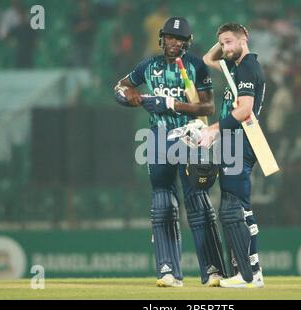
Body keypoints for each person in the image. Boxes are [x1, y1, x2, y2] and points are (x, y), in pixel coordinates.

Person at [113, 17, 226, 287]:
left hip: (189, 137)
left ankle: (213, 270)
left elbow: (208, 107)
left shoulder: (195, 65)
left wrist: (172, 104)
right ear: (162, 39)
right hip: (157, 139)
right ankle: (168, 271)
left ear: (187, 43)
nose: (174, 43)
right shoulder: (148, 65)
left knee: (197, 203)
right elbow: (122, 87)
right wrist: (129, 97)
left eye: (180, 39)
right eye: (170, 38)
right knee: (162, 203)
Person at [200, 23, 266, 288]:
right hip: (233, 143)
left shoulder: (248, 66)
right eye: (223, 43)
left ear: (244, 39)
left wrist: (213, 129)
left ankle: (249, 274)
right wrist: (223, 41)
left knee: (235, 208)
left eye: (230, 42)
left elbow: (245, 110)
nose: (225, 48)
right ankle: (251, 272)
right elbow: (207, 58)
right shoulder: (235, 67)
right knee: (235, 207)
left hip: (241, 141)